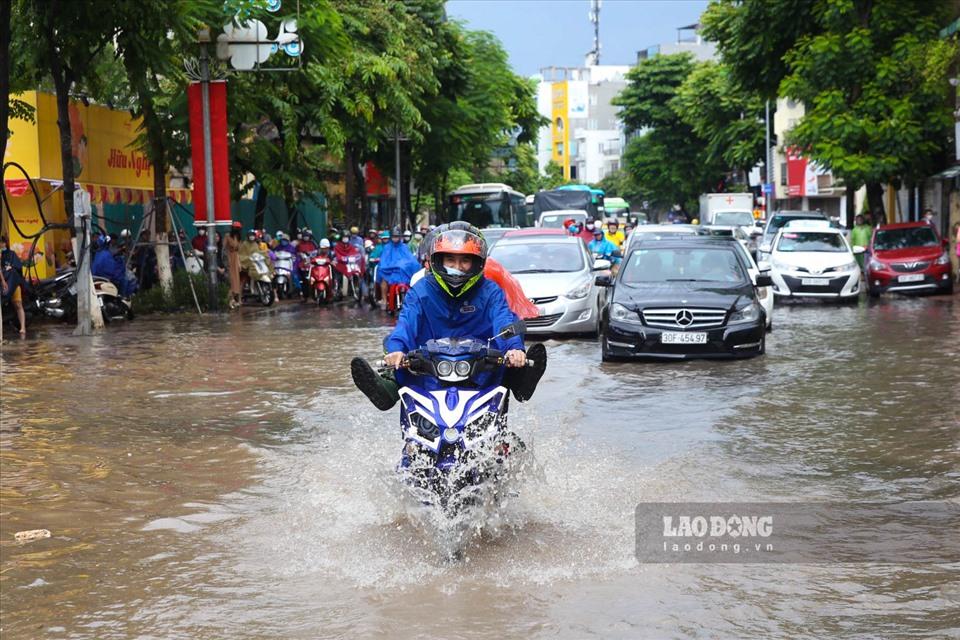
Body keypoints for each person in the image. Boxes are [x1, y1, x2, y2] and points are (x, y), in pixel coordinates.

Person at [350, 222, 546, 410]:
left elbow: (503, 320)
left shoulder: (491, 291)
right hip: (431, 364)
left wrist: (514, 350)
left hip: (481, 365)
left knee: (510, 351)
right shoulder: (420, 290)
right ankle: (388, 389)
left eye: (465, 261)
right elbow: (406, 324)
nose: (457, 267)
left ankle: (520, 381)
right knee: (392, 342)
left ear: (477, 263)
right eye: (450, 260)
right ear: (438, 260)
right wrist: (397, 350)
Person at [375, 227, 420, 313]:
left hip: (402, 271)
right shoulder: (387, 247)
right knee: (383, 280)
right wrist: (390, 266)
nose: (395, 238)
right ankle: (384, 300)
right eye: (394, 236)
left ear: (400, 237)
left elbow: (410, 259)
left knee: (411, 280)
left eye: (397, 236)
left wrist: (410, 265)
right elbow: (384, 261)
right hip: (389, 271)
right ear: (391, 237)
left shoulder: (404, 247)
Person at [1, 235, 27, 335]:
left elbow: (18, 267)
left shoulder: (11, 254)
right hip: (3, 284)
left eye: (1, 242)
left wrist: (10, 268)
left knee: (18, 304)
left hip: (13, 284)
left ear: (4, 243)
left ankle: (23, 327)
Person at [333, 230, 364, 297]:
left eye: (347, 237)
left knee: (356, 272)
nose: (345, 239)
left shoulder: (351, 246)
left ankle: (355, 287)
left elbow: (355, 253)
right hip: (340, 264)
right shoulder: (337, 246)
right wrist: (342, 258)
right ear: (341, 238)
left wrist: (356, 257)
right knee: (338, 276)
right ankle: (338, 289)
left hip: (350, 264)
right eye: (344, 237)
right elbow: (337, 255)